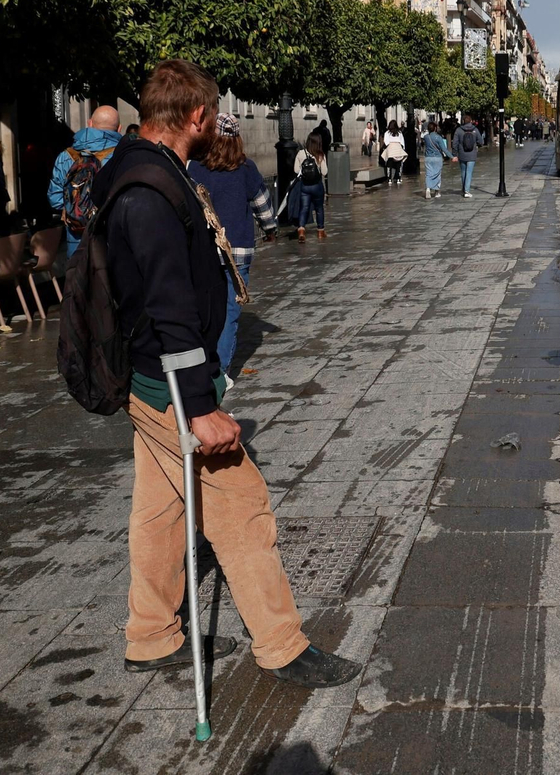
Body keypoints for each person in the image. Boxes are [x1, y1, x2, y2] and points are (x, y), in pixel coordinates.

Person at [91, 58, 358, 687]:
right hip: (167, 384)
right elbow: (167, 307)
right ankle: (281, 646)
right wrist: (199, 405)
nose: (215, 126)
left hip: (150, 378)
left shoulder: (142, 171)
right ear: (196, 116)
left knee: (160, 510)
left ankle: (150, 633)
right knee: (243, 508)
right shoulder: (151, 192)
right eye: (212, 115)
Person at [189, 112, 277, 381]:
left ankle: (201, 366)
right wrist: (270, 228)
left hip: (204, 249)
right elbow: (262, 205)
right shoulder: (246, 168)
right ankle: (222, 372)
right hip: (237, 249)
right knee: (229, 310)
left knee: (205, 308)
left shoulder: (194, 167)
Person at [49, 105, 122, 257]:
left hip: (77, 243)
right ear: (119, 128)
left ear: (89, 124)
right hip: (113, 243)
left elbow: (55, 199)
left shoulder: (66, 156)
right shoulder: (124, 156)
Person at [292, 134, 328, 242]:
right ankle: (321, 231)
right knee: (319, 209)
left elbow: (295, 170)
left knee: (304, 208)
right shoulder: (320, 154)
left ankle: (301, 230)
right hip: (317, 186)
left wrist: (304, 171)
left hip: (305, 186)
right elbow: (325, 172)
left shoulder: (301, 153)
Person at [452, 114, 480, 197]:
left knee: (463, 171)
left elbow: (455, 143)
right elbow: (480, 141)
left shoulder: (459, 130)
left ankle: (464, 189)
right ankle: (467, 191)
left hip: (462, 154)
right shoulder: (475, 129)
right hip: (472, 154)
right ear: (471, 121)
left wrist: (454, 154)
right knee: (469, 172)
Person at [422, 117, 449, 198]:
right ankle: (437, 192)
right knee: (437, 174)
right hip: (437, 157)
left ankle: (428, 189)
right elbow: (444, 149)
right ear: (435, 128)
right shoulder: (438, 137)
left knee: (428, 174)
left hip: (428, 157)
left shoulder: (426, 137)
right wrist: (451, 156)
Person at [380, 120, 408, 185]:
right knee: (399, 165)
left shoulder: (387, 133)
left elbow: (386, 142)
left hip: (390, 150)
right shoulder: (400, 133)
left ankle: (389, 179)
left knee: (389, 165)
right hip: (398, 149)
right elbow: (402, 143)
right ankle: (398, 178)